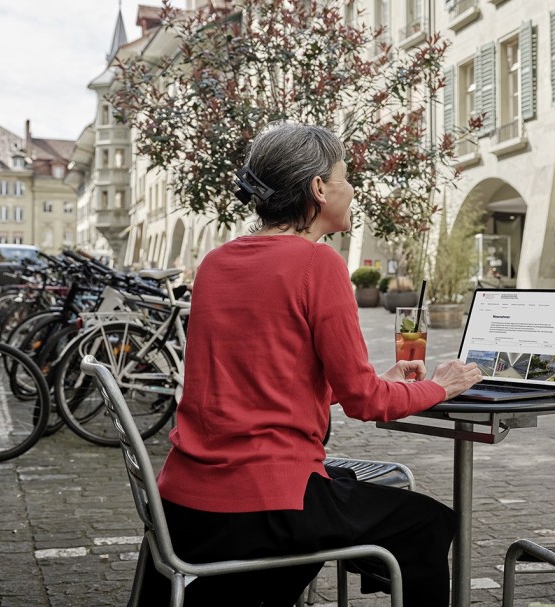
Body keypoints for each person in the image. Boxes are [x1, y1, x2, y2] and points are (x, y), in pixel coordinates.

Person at [142, 122, 482, 606]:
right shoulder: (317, 265)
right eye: (345, 177)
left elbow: (258, 379)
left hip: (187, 498)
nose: (352, 188)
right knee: (425, 523)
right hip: (263, 502)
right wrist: (442, 386)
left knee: (344, 494)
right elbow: (367, 403)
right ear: (319, 189)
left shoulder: (216, 263)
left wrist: (357, 384)